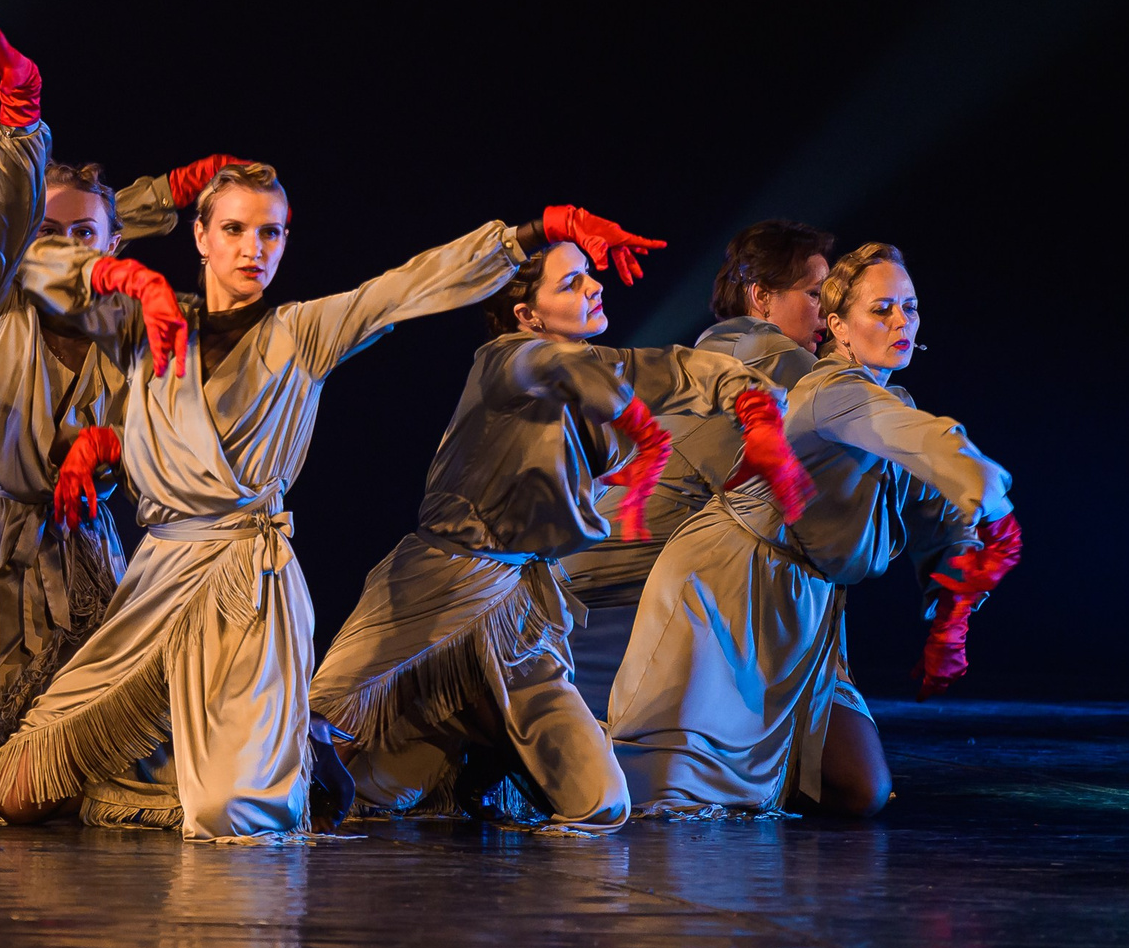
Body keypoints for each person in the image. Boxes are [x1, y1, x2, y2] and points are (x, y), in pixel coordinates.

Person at [0, 172, 666, 842]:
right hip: (160, 576)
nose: (253, 248)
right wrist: (134, 280)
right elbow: (33, 264)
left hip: (246, 583)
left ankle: (290, 753)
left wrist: (536, 231)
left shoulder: (299, 332)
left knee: (234, 815)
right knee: (16, 792)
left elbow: (403, 287)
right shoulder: (144, 319)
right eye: (234, 229)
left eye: (270, 232)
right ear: (200, 236)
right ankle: (237, 756)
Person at [309, 238, 806, 832]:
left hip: (521, 609)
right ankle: (406, 736)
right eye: (571, 283)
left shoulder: (597, 365)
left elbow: (682, 368)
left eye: (590, 275)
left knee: (602, 802)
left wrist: (755, 411)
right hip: (439, 580)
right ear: (528, 314)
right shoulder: (508, 359)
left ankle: (463, 735)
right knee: (318, 729)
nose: (594, 287)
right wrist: (644, 432)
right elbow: (557, 368)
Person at [0, 7, 241, 808]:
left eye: (86, 236)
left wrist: (107, 444)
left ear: (114, 243)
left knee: (115, 757)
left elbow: (164, 439)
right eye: (44, 232)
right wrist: (21, 107)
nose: (64, 247)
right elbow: (22, 218)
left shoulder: (130, 325)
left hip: (83, 549)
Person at [607, 241, 1021, 817]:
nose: (901, 321)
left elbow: (935, 506)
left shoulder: (889, 401)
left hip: (808, 608)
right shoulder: (832, 391)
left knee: (862, 790)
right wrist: (992, 494)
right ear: (838, 325)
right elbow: (926, 440)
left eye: (910, 307)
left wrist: (952, 614)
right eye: (882, 309)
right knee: (671, 789)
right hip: (730, 584)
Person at [560, 220, 834, 715]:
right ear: (762, 296)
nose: (827, 313)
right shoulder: (771, 351)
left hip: (605, 551)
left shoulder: (718, 345)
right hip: (621, 563)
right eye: (815, 294)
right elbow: (857, 417)